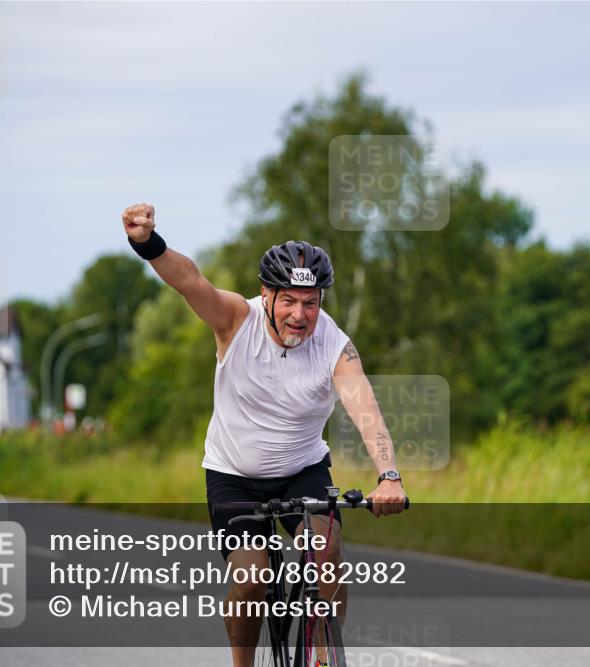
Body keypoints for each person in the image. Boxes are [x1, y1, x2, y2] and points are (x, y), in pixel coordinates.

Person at [122, 203, 406, 666]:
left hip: (303, 470)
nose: (300, 314)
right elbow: (190, 280)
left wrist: (389, 475)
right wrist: (147, 243)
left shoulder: (334, 344)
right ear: (267, 295)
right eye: (289, 301)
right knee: (252, 578)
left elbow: (366, 410)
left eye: (310, 303)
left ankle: (323, 655)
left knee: (327, 550)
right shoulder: (237, 320)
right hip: (234, 475)